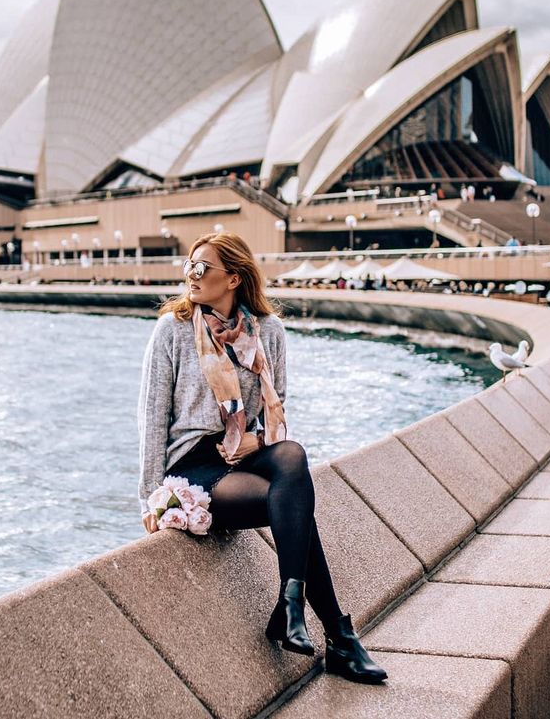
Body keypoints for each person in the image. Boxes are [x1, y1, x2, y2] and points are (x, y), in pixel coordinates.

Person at [137, 231, 387, 684]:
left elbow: (280, 399)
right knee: (293, 504)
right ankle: (337, 636)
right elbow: (153, 416)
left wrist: (254, 439)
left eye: (202, 267)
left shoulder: (267, 330)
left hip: (246, 449)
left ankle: (290, 603)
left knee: (292, 456)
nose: (191, 276)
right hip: (194, 464)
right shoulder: (173, 330)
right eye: (188, 267)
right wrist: (150, 499)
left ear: (233, 278)